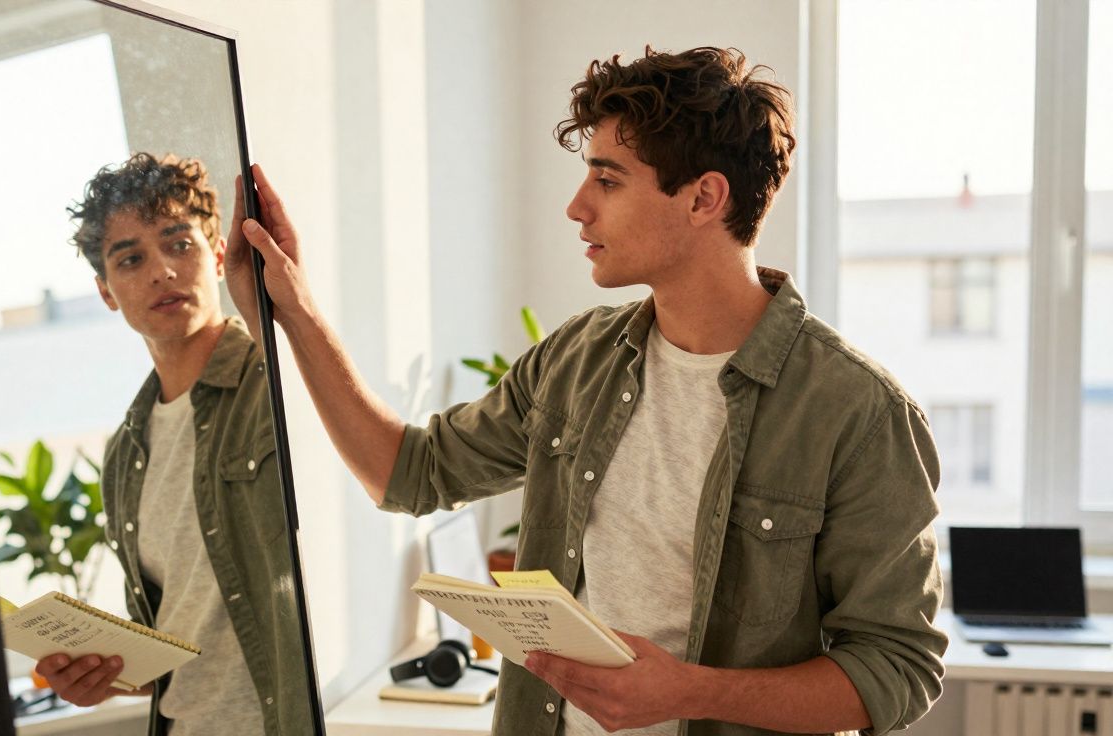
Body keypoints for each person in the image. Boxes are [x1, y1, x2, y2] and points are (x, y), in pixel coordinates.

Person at [227, 46, 948, 735]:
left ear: (704, 198)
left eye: (608, 180)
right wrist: (296, 313)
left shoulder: (858, 412)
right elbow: (407, 473)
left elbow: (898, 669)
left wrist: (691, 690)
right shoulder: (576, 360)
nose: (577, 207)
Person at [33, 153, 312, 736]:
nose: (161, 271)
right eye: (130, 259)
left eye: (179, 244)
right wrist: (102, 676)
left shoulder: (280, 385)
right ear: (107, 292)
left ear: (217, 256)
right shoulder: (124, 454)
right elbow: (179, 636)